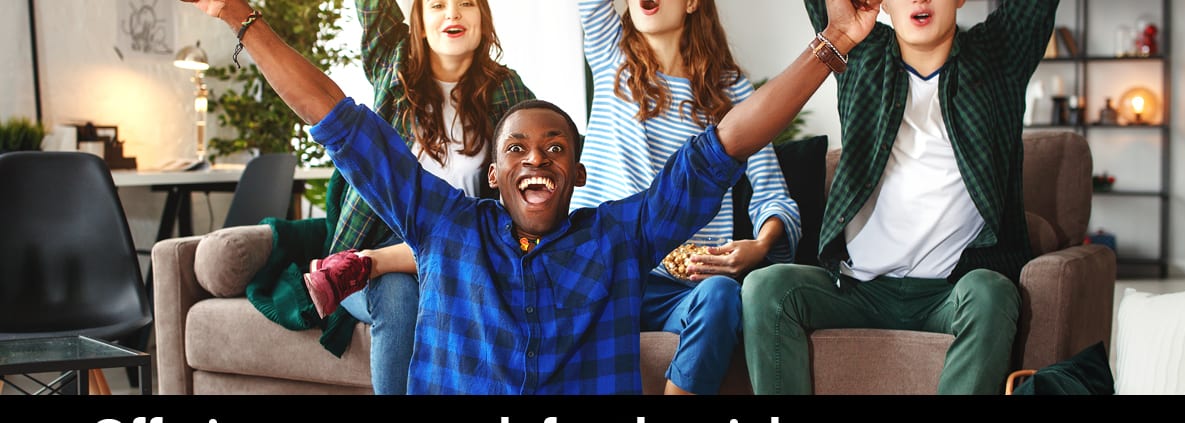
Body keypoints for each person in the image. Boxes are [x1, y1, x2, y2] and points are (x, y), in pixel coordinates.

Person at [180, 0, 873, 394]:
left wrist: (835, 40)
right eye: (516, 148)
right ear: (493, 175)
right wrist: (243, 17)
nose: (536, 157)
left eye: (554, 148)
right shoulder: (444, 225)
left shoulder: (618, 239)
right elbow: (337, 118)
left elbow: (724, 145)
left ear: (576, 175)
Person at [740, 0, 1059, 395]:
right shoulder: (860, 52)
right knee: (766, 288)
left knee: (991, 293)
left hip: (950, 290)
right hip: (858, 290)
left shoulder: (1000, 55)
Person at [301, 0, 535, 395]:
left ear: (483, 21)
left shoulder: (507, 92)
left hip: (458, 252)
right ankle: (369, 262)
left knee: (464, 255)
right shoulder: (393, 69)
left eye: (466, 4)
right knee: (398, 294)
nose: (453, 14)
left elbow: (540, 156)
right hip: (380, 243)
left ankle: (368, 264)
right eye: (438, 5)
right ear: (421, 25)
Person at [571, 0, 802, 395]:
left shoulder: (730, 90)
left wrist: (758, 247)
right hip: (605, 269)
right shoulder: (612, 52)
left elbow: (770, 190)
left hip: (683, 284)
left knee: (722, 294)